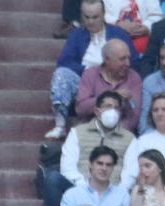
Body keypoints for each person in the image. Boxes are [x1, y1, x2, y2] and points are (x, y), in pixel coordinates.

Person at [48, 91, 134, 206]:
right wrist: (84, 187)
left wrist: (117, 191)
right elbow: (67, 166)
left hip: (114, 189)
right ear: (97, 111)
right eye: (107, 106)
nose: (112, 111)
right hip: (79, 186)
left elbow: (131, 172)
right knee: (53, 179)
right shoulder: (77, 133)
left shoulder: (130, 138)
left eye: (116, 107)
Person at [49, 1, 135, 140]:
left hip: (112, 81)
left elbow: (132, 61)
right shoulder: (76, 35)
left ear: (103, 15)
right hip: (84, 82)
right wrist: (88, 70)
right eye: (86, 17)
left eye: (95, 17)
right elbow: (64, 62)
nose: (90, 21)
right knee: (61, 75)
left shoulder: (118, 33)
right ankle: (60, 125)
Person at [59, 143, 131, 206]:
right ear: (91, 165)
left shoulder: (122, 195)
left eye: (108, 165)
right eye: (100, 163)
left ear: (113, 168)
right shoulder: (72, 195)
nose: (104, 168)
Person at [75, 35, 141, 133]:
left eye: (128, 58)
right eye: (122, 59)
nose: (128, 64)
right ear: (107, 59)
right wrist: (111, 96)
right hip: (91, 132)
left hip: (121, 135)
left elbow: (135, 115)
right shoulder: (90, 75)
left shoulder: (134, 78)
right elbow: (81, 109)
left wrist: (115, 133)